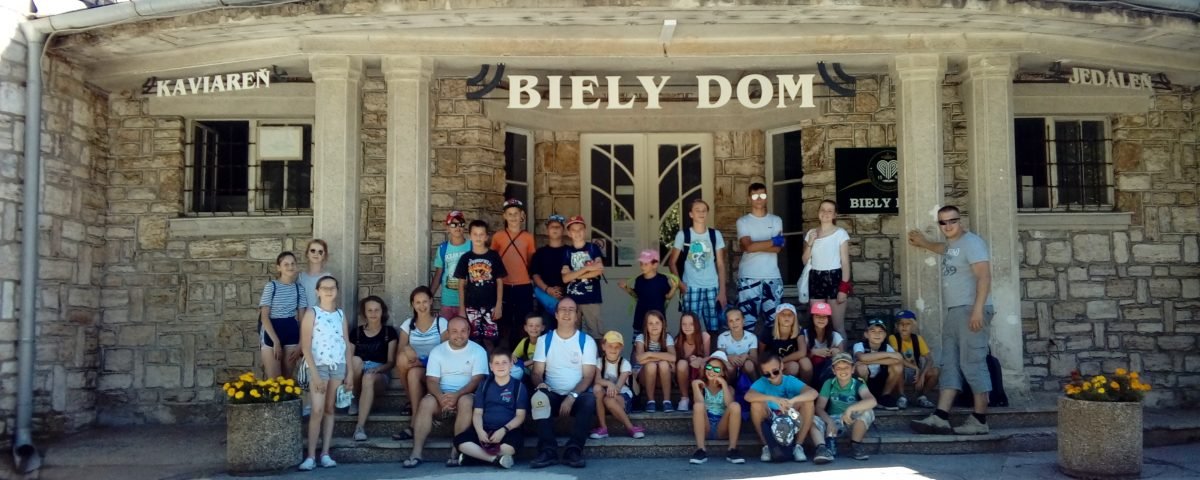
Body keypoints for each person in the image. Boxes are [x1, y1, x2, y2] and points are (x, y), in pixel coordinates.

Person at [908, 205, 994, 435]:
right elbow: (943, 249)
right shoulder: (953, 245)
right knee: (951, 363)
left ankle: (980, 420)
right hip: (955, 311)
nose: (947, 226)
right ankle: (940, 416)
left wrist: (977, 310)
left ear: (960, 220)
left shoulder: (972, 243)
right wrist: (924, 242)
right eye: (943, 222)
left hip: (971, 310)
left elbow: (984, 276)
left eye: (952, 221)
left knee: (973, 362)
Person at [403, 317, 489, 468]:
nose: (459, 335)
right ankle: (416, 453)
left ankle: (456, 451)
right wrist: (440, 397)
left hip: (466, 395)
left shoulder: (478, 351)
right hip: (442, 395)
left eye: (463, 331)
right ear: (447, 333)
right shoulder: (438, 351)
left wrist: (457, 395)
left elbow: (477, 380)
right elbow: (431, 380)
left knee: (466, 401)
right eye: (454, 331)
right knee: (426, 402)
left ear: (469, 331)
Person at [530, 298, 599, 469]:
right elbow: (536, 373)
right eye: (563, 309)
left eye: (571, 309)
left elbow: (588, 377)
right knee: (539, 398)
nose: (567, 313)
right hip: (552, 394)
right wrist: (540, 385)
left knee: (589, 400)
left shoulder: (586, 341)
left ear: (577, 315)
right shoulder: (544, 340)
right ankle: (548, 451)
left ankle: (573, 450)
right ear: (556, 314)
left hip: (577, 397)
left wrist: (572, 396)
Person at [298, 275, 352, 471]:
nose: (329, 291)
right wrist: (315, 374)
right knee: (317, 409)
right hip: (318, 366)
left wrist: (350, 373)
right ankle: (311, 455)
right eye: (324, 288)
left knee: (330, 408)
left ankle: (326, 453)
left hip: (337, 365)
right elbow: (305, 346)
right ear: (317, 291)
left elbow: (346, 344)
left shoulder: (340, 315)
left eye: (332, 287)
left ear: (337, 290)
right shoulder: (312, 313)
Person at [453, 350, 528, 469]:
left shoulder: (518, 387)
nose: (500, 366)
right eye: (496, 363)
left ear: (511, 365)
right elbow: (478, 413)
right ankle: (494, 460)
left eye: (504, 362)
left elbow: (520, 416)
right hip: (485, 430)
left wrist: (503, 430)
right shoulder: (484, 385)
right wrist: (480, 431)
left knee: (511, 447)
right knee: (460, 441)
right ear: (491, 367)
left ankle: (473, 458)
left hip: (507, 431)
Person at [394, 286, 449, 438]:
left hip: (436, 372)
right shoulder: (408, 324)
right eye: (418, 302)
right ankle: (413, 405)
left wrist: (424, 362)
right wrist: (407, 349)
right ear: (413, 304)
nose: (422, 306)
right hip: (416, 369)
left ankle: (413, 424)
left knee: (414, 371)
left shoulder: (441, 323)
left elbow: (447, 353)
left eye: (425, 301)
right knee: (404, 360)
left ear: (431, 301)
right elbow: (399, 354)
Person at [745, 354, 818, 463]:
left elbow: (813, 393)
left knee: (808, 402)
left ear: (782, 366)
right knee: (755, 404)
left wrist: (792, 401)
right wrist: (773, 399)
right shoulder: (762, 382)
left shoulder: (789, 380)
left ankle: (798, 446)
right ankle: (767, 446)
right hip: (770, 419)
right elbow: (748, 396)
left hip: (790, 418)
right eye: (767, 374)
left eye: (775, 371)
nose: (772, 376)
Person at [669, 199, 728, 333]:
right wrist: (680, 284)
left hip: (712, 287)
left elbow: (720, 264)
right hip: (691, 287)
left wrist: (722, 291)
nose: (701, 213)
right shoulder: (683, 235)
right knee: (690, 329)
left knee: (715, 328)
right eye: (697, 210)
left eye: (704, 211)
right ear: (691, 214)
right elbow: (672, 262)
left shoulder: (715, 235)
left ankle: (713, 348)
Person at [736, 182, 785, 335]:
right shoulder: (743, 221)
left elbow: (777, 249)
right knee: (747, 323)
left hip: (772, 276)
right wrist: (773, 240)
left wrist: (754, 246)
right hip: (748, 277)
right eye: (755, 195)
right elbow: (748, 246)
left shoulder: (776, 220)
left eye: (762, 195)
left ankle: (773, 351)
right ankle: (749, 351)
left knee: (775, 324)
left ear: (767, 197)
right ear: (749, 198)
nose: (759, 198)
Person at [811, 353, 876, 464]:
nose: (843, 370)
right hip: (832, 421)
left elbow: (872, 401)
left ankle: (856, 445)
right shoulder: (829, 383)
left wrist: (850, 409)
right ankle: (822, 448)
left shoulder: (858, 383)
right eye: (839, 368)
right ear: (833, 370)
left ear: (853, 369)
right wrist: (829, 421)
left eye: (846, 367)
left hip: (851, 420)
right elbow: (819, 407)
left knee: (868, 411)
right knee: (812, 419)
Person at [347, 296, 397, 441]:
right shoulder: (356, 333)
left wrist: (378, 369)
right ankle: (354, 399)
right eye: (369, 310)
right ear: (364, 313)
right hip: (358, 372)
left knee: (368, 377)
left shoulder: (389, 332)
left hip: (379, 375)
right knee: (355, 360)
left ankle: (360, 427)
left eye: (377, 310)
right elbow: (349, 359)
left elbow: (391, 362)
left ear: (382, 311)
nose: (373, 313)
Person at [454, 220, 508, 351]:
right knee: (474, 339)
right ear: (470, 236)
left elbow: (499, 281)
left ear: (486, 236)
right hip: (472, 306)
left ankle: (491, 363)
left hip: (491, 306)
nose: (478, 237)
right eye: (475, 234)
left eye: (481, 234)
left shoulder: (493, 256)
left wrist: (498, 305)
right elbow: (461, 285)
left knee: (490, 340)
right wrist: (462, 308)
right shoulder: (465, 258)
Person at [802, 200, 852, 339]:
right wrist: (810, 243)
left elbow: (845, 262)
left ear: (835, 215)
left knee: (837, 326)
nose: (825, 213)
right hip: (815, 278)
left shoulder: (840, 233)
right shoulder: (811, 233)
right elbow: (805, 261)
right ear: (818, 212)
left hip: (834, 277)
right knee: (817, 325)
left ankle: (841, 352)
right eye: (823, 210)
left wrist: (843, 288)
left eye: (830, 211)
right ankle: (819, 352)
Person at [492, 198, 537, 349]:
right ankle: (503, 353)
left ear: (521, 215)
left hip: (523, 285)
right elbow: (493, 259)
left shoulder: (528, 237)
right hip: (503, 285)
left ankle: (521, 352)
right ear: (504, 216)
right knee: (504, 322)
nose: (513, 217)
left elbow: (530, 259)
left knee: (523, 321)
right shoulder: (498, 236)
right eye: (509, 214)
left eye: (516, 213)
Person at [689, 351, 745, 465]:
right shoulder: (701, 386)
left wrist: (724, 384)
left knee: (735, 406)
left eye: (716, 369)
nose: (711, 371)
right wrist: (695, 386)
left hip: (722, 426)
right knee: (698, 405)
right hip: (705, 425)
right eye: (709, 367)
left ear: (723, 372)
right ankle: (701, 450)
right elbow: (699, 404)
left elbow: (729, 404)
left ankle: (732, 449)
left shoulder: (729, 388)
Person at [259, 251, 306, 381]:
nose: (290, 267)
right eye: (286, 264)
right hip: (272, 333)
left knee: (286, 381)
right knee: (274, 381)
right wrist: (276, 341)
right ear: (279, 268)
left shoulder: (299, 289)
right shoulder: (271, 286)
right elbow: (264, 317)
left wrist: (301, 344)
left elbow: (302, 319)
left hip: (291, 332)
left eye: (293, 264)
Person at [590, 331, 646, 440]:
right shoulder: (599, 362)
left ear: (621, 348)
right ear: (603, 346)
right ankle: (603, 428)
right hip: (605, 396)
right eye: (610, 346)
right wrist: (609, 383)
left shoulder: (625, 364)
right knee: (597, 388)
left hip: (622, 398)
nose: (613, 349)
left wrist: (611, 386)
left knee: (608, 399)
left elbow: (618, 388)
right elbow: (597, 380)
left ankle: (630, 427)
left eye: (617, 347)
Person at [560, 215, 605, 338]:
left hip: (592, 298)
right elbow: (565, 278)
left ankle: (596, 351)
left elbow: (599, 269)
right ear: (569, 233)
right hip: (573, 299)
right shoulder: (567, 252)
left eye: (580, 229)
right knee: (573, 333)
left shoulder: (593, 248)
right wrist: (586, 268)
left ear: (585, 230)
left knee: (596, 333)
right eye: (573, 230)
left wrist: (573, 275)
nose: (577, 232)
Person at [617, 249, 677, 336]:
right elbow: (636, 295)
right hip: (640, 322)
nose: (642, 267)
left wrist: (674, 287)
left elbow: (668, 296)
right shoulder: (639, 280)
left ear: (655, 265)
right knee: (638, 343)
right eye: (641, 264)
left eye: (646, 264)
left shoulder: (662, 279)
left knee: (656, 344)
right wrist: (626, 288)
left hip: (656, 323)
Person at [888, 310, 939, 409]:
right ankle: (902, 397)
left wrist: (922, 375)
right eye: (901, 324)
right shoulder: (893, 338)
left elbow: (929, 359)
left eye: (908, 324)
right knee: (897, 366)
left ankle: (922, 397)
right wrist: (915, 368)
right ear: (896, 326)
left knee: (935, 371)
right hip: (901, 372)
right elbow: (897, 357)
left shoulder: (917, 339)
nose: (904, 326)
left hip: (916, 373)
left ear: (913, 326)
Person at [853, 318, 904, 410]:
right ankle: (863, 397)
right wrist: (889, 355)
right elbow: (862, 358)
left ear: (885, 335)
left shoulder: (887, 347)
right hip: (865, 383)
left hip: (881, 382)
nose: (877, 334)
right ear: (866, 334)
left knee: (897, 367)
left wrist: (871, 361)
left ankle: (884, 396)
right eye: (873, 331)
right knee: (861, 367)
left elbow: (898, 359)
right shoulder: (860, 345)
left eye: (881, 331)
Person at [634, 310, 677, 413]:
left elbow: (673, 357)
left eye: (657, 323)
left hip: (663, 377)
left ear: (663, 324)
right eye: (650, 323)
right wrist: (663, 357)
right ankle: (650, 401)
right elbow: (640, 359)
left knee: (663, 364)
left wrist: (649, 354)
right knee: (651, 365)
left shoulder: (667, 337)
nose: (654, 326)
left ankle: (667, 401)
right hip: (645, 376)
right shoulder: (641, 338)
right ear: (646, 326)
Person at [431, 211, 471, 319]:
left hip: (467, 300)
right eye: (453, 224)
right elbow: (438, 274)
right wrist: (430, 296)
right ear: (447, 227)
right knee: (446, 329)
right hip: (447, 300)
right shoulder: (443, 248)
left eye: (461, 224)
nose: (458, 227)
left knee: (465, 329)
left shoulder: (472, 246)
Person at [531, 214, 570, 322]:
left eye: (558, 227)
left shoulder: (570, 251)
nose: (555, 229)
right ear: (547, 230)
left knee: (567, 328)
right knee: (546, 328)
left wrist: (563, 290)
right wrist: (548, 289)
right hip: (545, 299)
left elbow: (575, 273)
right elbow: (535, 275)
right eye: (552, 227)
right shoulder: (539, 253)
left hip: (567, 298)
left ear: (563, 230)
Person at [798, 302, 845, 386]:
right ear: (812, 317)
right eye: (817, 316)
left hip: (828, 372)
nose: (821, 319)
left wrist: (837, 353)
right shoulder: (804, 334)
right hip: (810, 372)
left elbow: (844, 359)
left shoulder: (835, 336)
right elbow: (800, 357)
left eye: (824, 316)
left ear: (828, 319)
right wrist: (813, 353)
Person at [674, 312, 710, 414]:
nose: (687, 327)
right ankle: (684, 398)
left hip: (699, 371)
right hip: (683, 373)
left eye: (691, 324)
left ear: (696, 325)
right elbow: (676, 361)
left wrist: (700, 359)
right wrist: (689, 360)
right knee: (682, 363)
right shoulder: (678, 340)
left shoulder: (704, 336)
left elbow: (708, 357)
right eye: (684, 324)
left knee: (703, 365)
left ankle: (701, 396)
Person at [760, 304, 805, 377]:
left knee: (805, 362)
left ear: (794, 318)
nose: (786, 317)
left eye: (790, 315)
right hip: (772, 364)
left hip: (787, 360)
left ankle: (804, 384)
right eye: (783, 314)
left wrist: (781, 360)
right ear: (777, 317)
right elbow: (760, 352)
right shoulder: (768, 330)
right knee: (793, 366)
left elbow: (802, 352)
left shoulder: (798, 329)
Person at [716, 308, 758, 381]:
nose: (734, 323)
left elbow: (755, 360)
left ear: (743, 321)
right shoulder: (722, 337)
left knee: (749, 365)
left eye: (737, 319)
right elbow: (719, 357)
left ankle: (756, 385)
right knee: (728, 366)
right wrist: (728, 357)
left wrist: (747, 356)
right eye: (731, 321)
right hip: (731, 367)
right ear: (727, 324)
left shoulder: (752, 337)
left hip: (744, 367)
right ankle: (729, 385)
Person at [512, 313, 545, 382]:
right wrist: (513, 358)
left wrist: (523, 364)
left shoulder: (546, 342)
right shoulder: (525, 342)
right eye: (531, 325)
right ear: (525, 328)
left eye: (537, 326)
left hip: (544, 373)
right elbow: (514, 356)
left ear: (543, 328)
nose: (534, 328)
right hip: (529, 373)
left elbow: (540, 361)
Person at [298, 239, 331, 309]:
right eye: (313, 251)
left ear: (324, 255)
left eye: (320, 252)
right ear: (307, 253)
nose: (316, 254)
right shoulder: (301, 277)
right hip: (303, 315)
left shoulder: (328, 278)